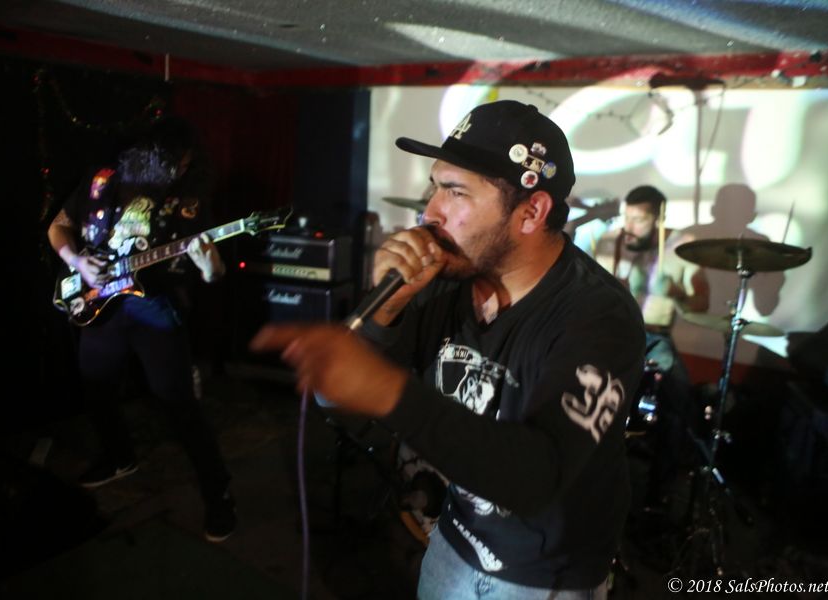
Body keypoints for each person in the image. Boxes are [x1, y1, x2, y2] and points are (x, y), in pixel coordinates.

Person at [252, 100, 646, 598]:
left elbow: (536, 478)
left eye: (456, 192)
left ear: (531, 212)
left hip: (544, 575)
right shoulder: (444, 281)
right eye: (435, 187)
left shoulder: (598, 317)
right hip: (452, 539)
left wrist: (391, 393)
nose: (429, 212)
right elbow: (340, 404)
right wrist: (384, 312)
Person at [47, 117, 236, 542]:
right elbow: (57, 226)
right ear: (148, 156)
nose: (180, 169)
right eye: (174, 161)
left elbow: (212, 268)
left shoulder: (188, 202)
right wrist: (78, 262)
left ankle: (219, 494)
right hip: (99, 307)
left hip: (154, 310)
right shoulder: (101, 182)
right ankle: (119, 457)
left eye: (186, 163)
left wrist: (211, 268)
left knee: (180, 406)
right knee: (96, 389)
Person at [593, 185, 709, 505]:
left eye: (640, 220)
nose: (629, 226)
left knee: (679, 403)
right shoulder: (610, 242)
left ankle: (660, 492)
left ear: (660, 218)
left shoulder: (681, 247)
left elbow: (702, 302)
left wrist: (677, 293)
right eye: (626, 217)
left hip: (654, 337)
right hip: (609, 332)